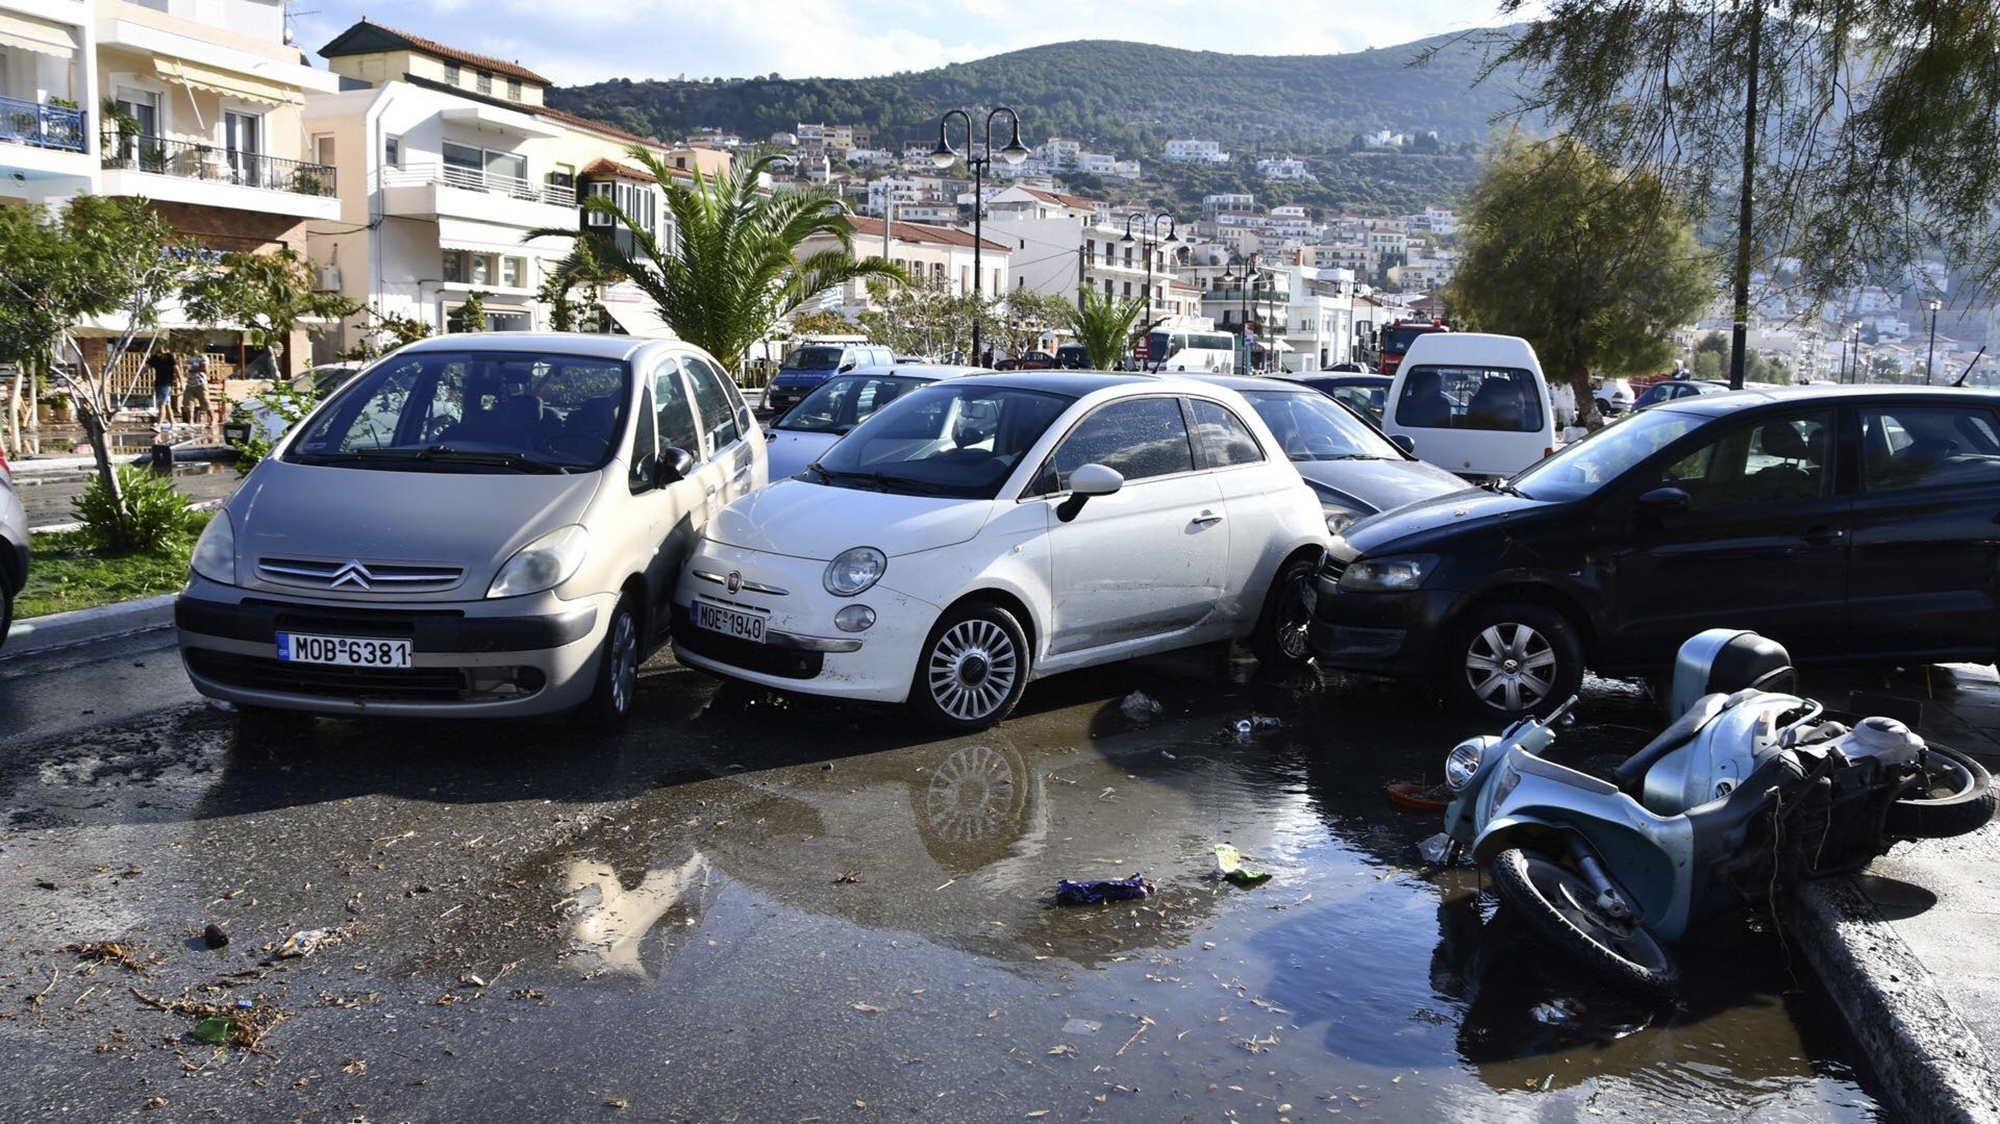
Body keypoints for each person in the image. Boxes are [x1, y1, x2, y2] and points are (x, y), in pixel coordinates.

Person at [147, 347, 179, 429]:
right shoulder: (155, 357)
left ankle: (159, 425)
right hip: (158, 383)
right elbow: (146, 367)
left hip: (166, 384)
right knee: (167, 405)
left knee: (162, 405)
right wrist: (138, 375)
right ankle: (173, 423)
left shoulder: (169, 357)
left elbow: (176, 369)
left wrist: (181, 382)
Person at [183, 354, 212, 429]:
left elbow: (205, 369)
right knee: (188, 403)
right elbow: (186, 369)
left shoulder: (203, 357)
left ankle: (212, 419)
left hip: (200, 383)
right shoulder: (189, 358)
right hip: (190, 383)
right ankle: (190, 421)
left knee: (205, 402)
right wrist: (194, 368)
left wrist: (194, 368)